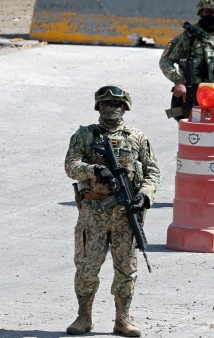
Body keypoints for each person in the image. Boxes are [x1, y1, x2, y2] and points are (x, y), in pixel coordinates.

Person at [64, 85, 160, 337]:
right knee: (86, 267)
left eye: (116, 105)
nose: (111, 110)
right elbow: (71, 166)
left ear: (125, 108)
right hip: (93, 212)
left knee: (127, 268)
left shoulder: (136, 137)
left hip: (125, 216)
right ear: (98, 108)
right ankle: (84, 317)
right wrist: (95, 169)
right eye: (106, 105)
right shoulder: (85, 136)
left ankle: (123, 319)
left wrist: (145, 195)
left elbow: (152, 171)